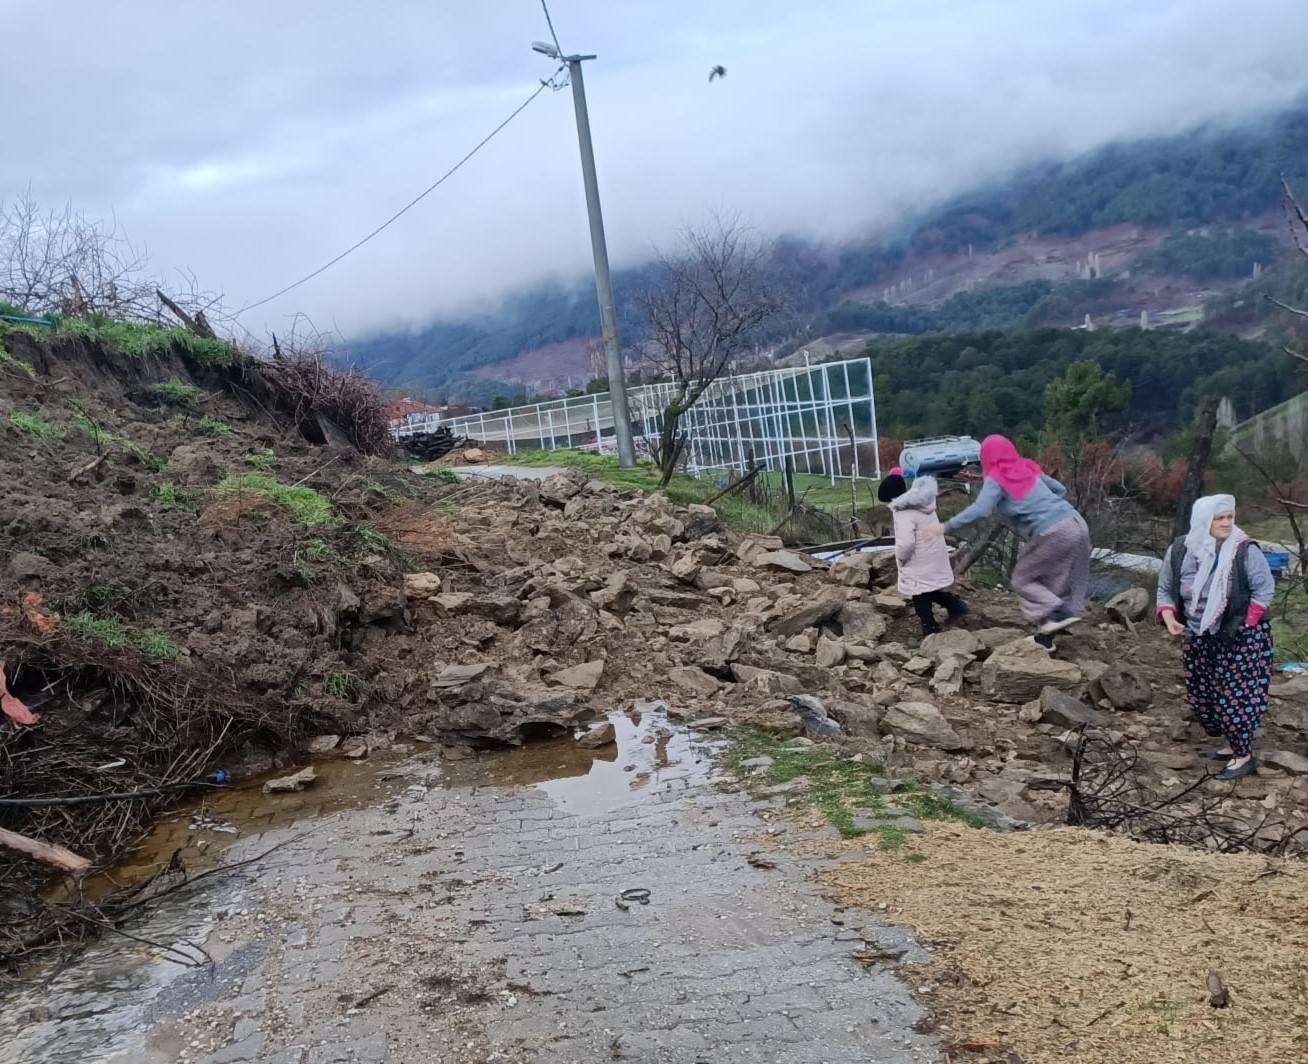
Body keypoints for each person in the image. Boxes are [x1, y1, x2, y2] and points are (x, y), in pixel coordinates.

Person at [925, 435, 1089, 649]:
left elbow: (981, 509)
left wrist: (945, 527)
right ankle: (1047, 638)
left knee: (1023, 580)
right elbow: (1059, 490)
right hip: (1076, 523)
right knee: (1055, 580)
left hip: (1054, 530)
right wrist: (1042, 505)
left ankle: (1059, 615)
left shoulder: (996, 478)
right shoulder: (1026, 468)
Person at [1156, 494, 1275, 781]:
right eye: (1218, 518)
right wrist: (1170, 618)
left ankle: (1243, 755)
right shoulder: (1182, 550)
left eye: (1229, 517)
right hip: (1199, 634)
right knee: (1204, 698)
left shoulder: (1244, 551)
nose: (1225, 523)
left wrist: (1245, 624)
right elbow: (1165, 589)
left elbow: (1264, 590)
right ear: (1202, 521)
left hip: (1241, 636)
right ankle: (1229, 743)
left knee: (1236, 697)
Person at [878, 469, 967, 637]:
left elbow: (906, 543)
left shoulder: (903, 512)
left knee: (919, 594)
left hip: (918, 559)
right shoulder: (923, 503)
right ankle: (956, 606)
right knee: (928, 590)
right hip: (934, 554)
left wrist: (901, 558)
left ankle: (930, 627)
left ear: (891, 498)